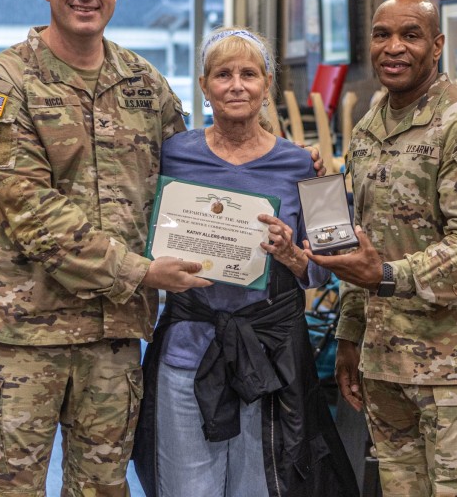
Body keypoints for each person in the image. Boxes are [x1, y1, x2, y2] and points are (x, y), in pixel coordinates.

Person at [0, 0, 215, 496]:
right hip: (27, 338)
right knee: (11, 489)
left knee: (102, 489)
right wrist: (140, 272)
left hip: (113, 338)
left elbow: (191, 172)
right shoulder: (1, 86)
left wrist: (271, 158)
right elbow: (29, 210)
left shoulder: (144, 84)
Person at [307, 0, 457, 496]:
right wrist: (351, 336)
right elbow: (364, 246)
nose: (393, 47)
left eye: (411, 35)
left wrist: (387, 276)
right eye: (382, 35)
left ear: (437, 45)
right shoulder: (369, 130)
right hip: (388, 364)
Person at [133, 27, 359, 497]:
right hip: (187, 352)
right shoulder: (172, 154)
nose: (236, 85)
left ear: (267, 84)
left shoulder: (307, 166)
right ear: (204, 85)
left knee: (260, 488)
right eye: (223, 74)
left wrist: (294, 255)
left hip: (271, 360)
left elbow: (334, 262)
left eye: (249, 74)